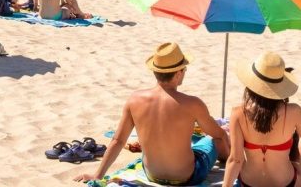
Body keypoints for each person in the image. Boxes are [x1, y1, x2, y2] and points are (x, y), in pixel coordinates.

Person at [74, 42, 230, 185]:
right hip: (186, 176)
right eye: (184, 70)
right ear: (178, 73)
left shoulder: (134, 100)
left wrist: (98, 175)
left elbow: (117, 141)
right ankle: (227, 161)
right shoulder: (193, 104)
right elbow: (218, 134)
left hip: (151, 175)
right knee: (214, 138)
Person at [221, 52, 301, 187]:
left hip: (248, 184)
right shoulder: (294, 111)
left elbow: (235, 160)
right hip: (287, 184)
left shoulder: (238, 113)